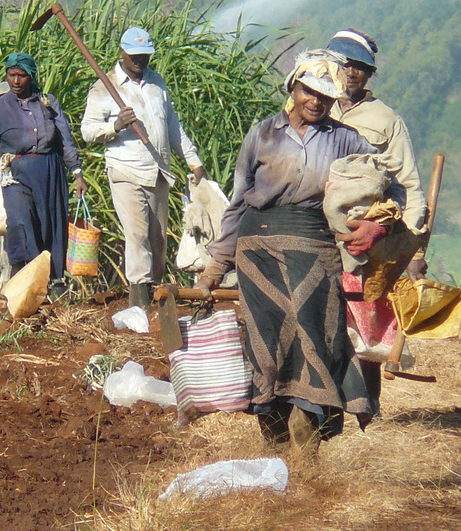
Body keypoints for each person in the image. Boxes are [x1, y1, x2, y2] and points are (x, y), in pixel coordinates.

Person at [200, 50, 392, 447]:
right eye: (309, 91)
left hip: (315, 251)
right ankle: (274, 440)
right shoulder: (263, 134)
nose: (316, 101)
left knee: (314, 342)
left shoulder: (347, 140)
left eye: (326, 95)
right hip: (258, 253)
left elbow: (387, 189)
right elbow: (239, 201)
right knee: (266, 345)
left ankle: (308, 444)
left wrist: (377, 222)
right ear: (294, 87)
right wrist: (217, 263)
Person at [80, 27, 207, 309]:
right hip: (126, 171)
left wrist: (192, 159)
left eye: (145, 55)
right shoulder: (106, 87)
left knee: (157, 240)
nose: (140, 60)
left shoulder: (156, 83)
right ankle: (140, 303)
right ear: (122, 53)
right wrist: (115, 125)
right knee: (137, 235)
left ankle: (157, 298)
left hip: (159, 171)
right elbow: (87, 131)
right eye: (135, 55)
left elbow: (172, 125)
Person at [327, 29, 429, 366]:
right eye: (344, 64)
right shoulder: (312, 106)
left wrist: (413, 249)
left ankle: (363, 404)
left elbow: (408, 186)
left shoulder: (385, 120)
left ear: (369, 74)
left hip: (364, 240)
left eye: (360, 67)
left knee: (365, 336)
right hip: (318, 234)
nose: (351, 73)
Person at [0, 52, 85, 293]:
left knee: (51, 224)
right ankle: (26, 277)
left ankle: (54, 282)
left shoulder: (47, 103)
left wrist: (76, 172)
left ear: (31, 77)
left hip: (50, 170)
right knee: (20, 221)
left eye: (21, 76)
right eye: (12, 75)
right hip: (16, 173)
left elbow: (65, 140)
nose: (16, 81)